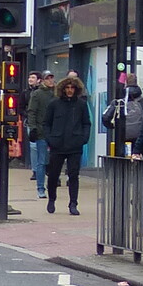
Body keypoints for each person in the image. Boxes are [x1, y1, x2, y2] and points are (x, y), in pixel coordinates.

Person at [41, 74, 93, 215]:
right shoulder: (54, 104)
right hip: (57, 145)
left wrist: (83, 138)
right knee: (53, 175)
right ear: (63, 89)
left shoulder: (81, 104)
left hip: (75, 145)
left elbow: (86, 123)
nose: (70, 90)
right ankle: (52, 199)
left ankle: (73, 203)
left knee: (73, 175)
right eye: (67, 88)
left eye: (72, 88)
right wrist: (50, 139)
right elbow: (46, 123)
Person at [25, 70, 55, 192]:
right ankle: (40, 187)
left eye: (52, 78)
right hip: (42, 132)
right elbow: (32, 112)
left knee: (53, 161)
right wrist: (33, 128)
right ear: (42, 80)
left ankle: (52, 185)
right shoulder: (37, 94)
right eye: (48, 78)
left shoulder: (57, 93)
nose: (50, 80)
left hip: (55, 133)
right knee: (42, 161)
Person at [104, 82, 143, 154]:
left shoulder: (118, 102)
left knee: (122, 161)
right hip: (140, 140)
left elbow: (105, 118)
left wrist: (113, 126)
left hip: (122, 137)